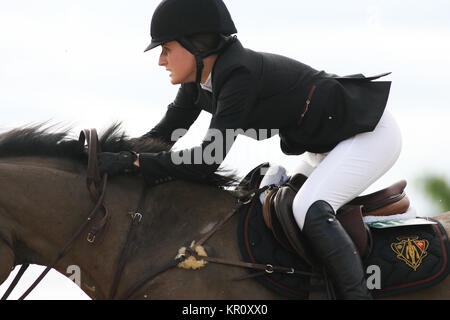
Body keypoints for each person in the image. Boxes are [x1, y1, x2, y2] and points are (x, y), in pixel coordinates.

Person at [98, 0, 402, 300]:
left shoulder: (238, 75)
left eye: (166, 50)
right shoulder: (198, 83)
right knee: (271, 205)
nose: (161, 61)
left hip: (369, 133)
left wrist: (134, 162)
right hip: (326, 146)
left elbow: (207, 159)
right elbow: (162, 137)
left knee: (308, 208)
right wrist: (106, 155)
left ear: (197, 45)